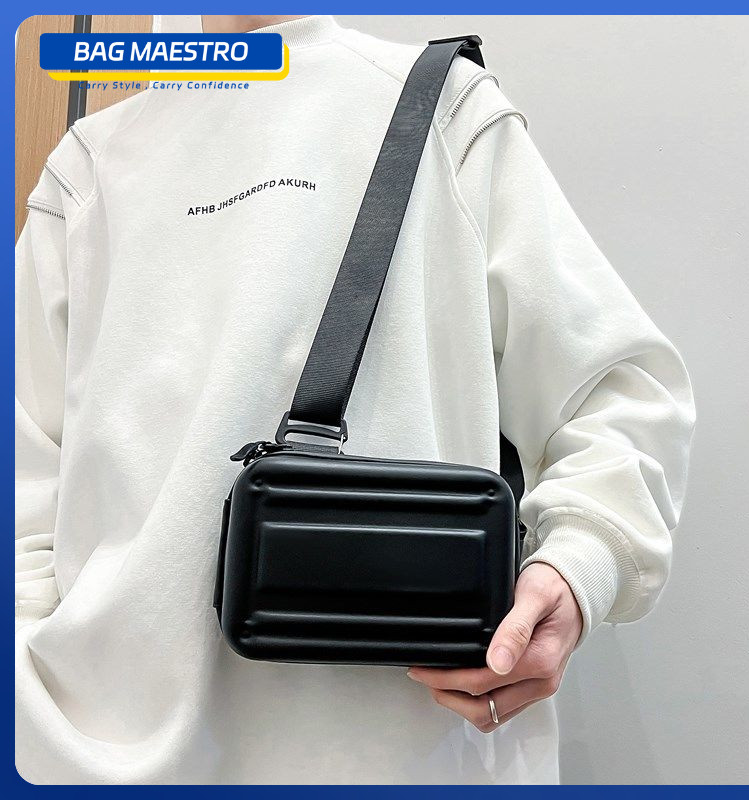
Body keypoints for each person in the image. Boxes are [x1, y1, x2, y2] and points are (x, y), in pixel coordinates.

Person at [15, 15, 695, 785]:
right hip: (90, 753)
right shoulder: (92, 163)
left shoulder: (442, 106)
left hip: (406, 754)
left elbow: (620, 392)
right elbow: (26, 475)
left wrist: (578, 570)